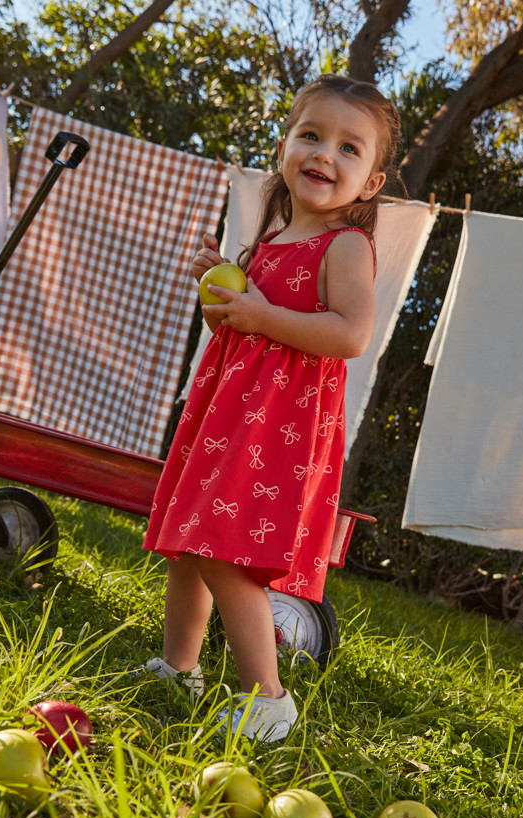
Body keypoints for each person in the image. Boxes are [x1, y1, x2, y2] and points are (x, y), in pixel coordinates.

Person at [141, 74, 401, 741]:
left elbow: (349, 334)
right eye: (310, 135)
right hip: (230, 414)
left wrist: (259, 314)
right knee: (189, 546)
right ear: (285, 146)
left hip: (276, 427)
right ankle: (179, 666)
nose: (324, 154)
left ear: (370, 183)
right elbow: (236, 329)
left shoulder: (345, 246)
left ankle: (268, 699)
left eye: (350, 148)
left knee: (226, 551)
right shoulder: (271, 239)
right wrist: (225, 287)